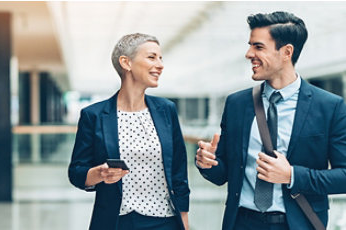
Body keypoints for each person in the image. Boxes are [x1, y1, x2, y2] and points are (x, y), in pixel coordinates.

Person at [196, 11, 346, 230]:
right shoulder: (237, 104)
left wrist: (292, 176)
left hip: (296, 224)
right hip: (241, 222)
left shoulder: (329, 107)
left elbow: (343, 176)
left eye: (258, 47)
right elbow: (223, 174)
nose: (248, 54)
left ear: (286, 52)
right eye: (250, 46)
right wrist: (207, 164)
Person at [68, 33, 190, 230]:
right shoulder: (94, 115)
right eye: (152, 57)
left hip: (165, 220)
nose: (160, 65)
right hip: (115, 221)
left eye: (160, 58)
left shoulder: (166, 110)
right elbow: (76, 172)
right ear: (126, 63)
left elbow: (178, 171)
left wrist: (184, 220)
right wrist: (99, 174)